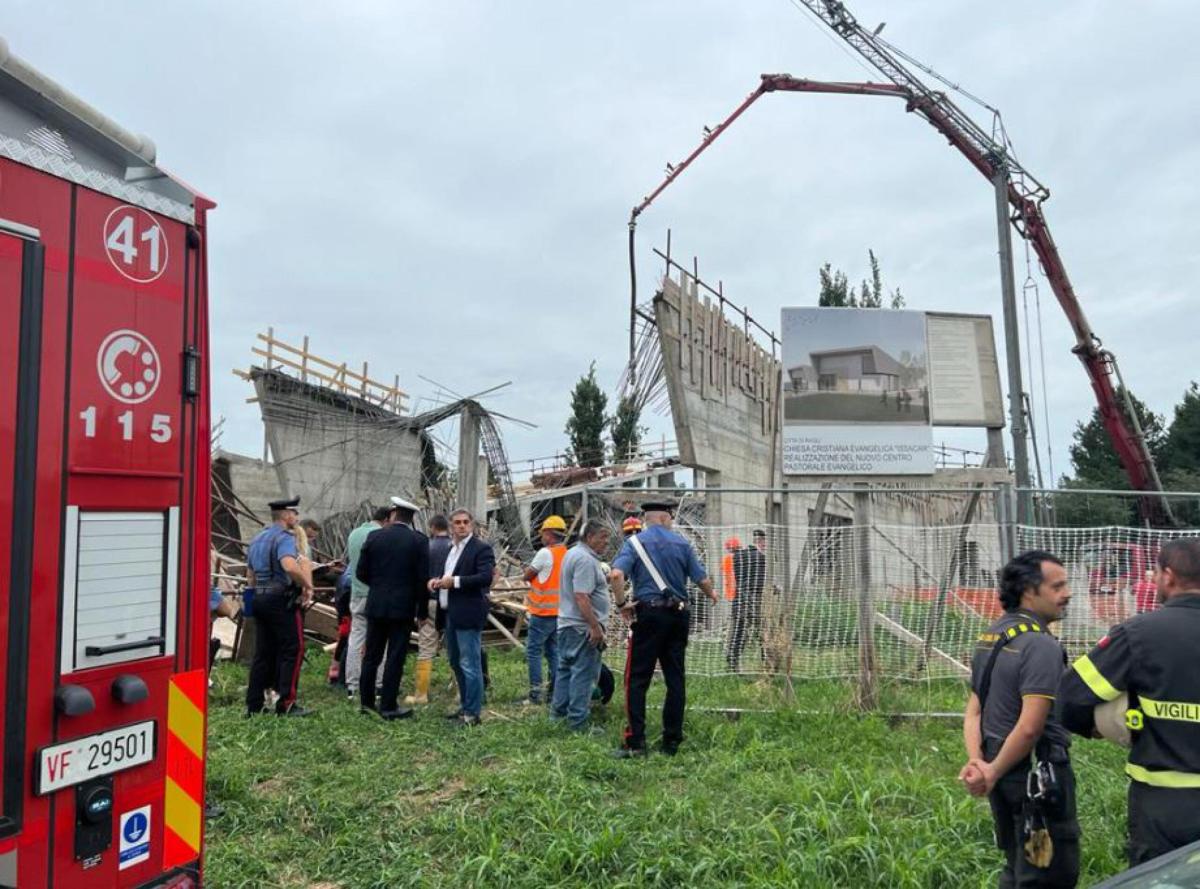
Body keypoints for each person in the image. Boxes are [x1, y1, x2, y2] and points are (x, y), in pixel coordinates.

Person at [1057, 538, 1200, 866]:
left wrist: (1095, 727)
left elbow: (1070, 697)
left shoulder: (1140, 633)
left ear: (1168, 575)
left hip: (1164, 809)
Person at [959, 550, 1078, 888]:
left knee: (1017, 865)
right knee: (1047, 873)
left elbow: (974, 712)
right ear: (1029, 590)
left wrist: (979, 765)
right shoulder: (1039, 645)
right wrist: (991, 772)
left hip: (1002, 775)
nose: (1066, 594)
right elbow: (1030, 728)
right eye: (1057, 587)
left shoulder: (992, 636)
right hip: (1039, 784)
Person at [609, 501, 717, 758]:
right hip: (678, 616)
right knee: (675, 678)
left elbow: (615, 575)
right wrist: (712, 594)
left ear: (647, 519)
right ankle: (671, 741)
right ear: (666, 518)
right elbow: (701, 579)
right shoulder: (681, 543)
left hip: (649, 615)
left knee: (637, 679)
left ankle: (636, 742)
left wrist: (622, 603)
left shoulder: (634, 543)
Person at [356, 497, 429, 720]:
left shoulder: (374, 536)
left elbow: (361, 572)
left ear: (394, 513)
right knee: (395, 656)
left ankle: (366, 703)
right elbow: (422, 579)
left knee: (371, 656)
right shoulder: (418, 541)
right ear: (412, 518)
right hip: (402, 608)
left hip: (376, 605)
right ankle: (388, 706)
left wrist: (379, 587)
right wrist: (422, 612)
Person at [245, 496, 314, 717]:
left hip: (259, 597)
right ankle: (287, 704)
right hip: (279, 599)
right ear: (285, 515)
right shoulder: (284, 538)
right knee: (292, 649)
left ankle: (254, 705)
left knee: (262, 653)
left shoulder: (258, 539)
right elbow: (289, 565)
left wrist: (256, 597)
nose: (296, 517)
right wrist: (306, 584)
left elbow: (250, 576)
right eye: (294, 513)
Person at [428, 509, 495, 727]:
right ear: (450, 526)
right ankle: (466, 706)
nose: (462, 526)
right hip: (451, 613)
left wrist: (454, 582)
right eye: (457, 522)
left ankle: (472, 714)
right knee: (456, 662)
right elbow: (447, 577)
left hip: (468, 613)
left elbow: (485, 578)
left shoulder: (480, 549)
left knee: (470, 663)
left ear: (472, 525)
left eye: (466, 522)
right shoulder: (452, 549)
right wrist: (436, 582)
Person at [550, 520, 612, 732]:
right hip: (581, 628)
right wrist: (594, 627)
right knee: (583, 675)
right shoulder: (585, 559)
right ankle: (578, 724)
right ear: (589, 537)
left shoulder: (573, 554)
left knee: (566, 670)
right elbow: (582, 596)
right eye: (603, 537)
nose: (606, 542)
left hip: (567, 625)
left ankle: (558, 716)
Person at [344, 505, 391, 699]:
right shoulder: (381, 536)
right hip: (376, 595)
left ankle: (352, 685)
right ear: (387, 520)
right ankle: (378, 684)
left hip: (356, 593)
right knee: (380, 640)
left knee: (356, 638)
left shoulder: (355, 533)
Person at [521, 515, 568, 704]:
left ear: (549, 534)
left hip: (542, 613)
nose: (541, 537)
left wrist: (529, 573)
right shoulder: (566, 553)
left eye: (543, 533)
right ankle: (554, 692)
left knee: (533, 652)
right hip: (560, 612)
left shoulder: (544, 553)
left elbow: (527, 575)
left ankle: (535, 694)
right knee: (554, 652)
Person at [407, 514, 451, 705]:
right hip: (451, 602)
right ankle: (458, 691)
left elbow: (418, 580)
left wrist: (419, 610)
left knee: (425, 647)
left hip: (430, 602)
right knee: (454, 648)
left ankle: (421, 694)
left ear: (432, 527)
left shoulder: (426, 547)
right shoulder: (455, 548)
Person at [726, 530, 767, 672]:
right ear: (761, 541)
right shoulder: (761, 557)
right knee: (763, 632)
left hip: (739, 600)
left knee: (739, 631)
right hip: (755, 600)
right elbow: (762, 581)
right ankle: (767, 661)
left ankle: (733, 660)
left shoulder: (738, 555)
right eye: (765, 543)